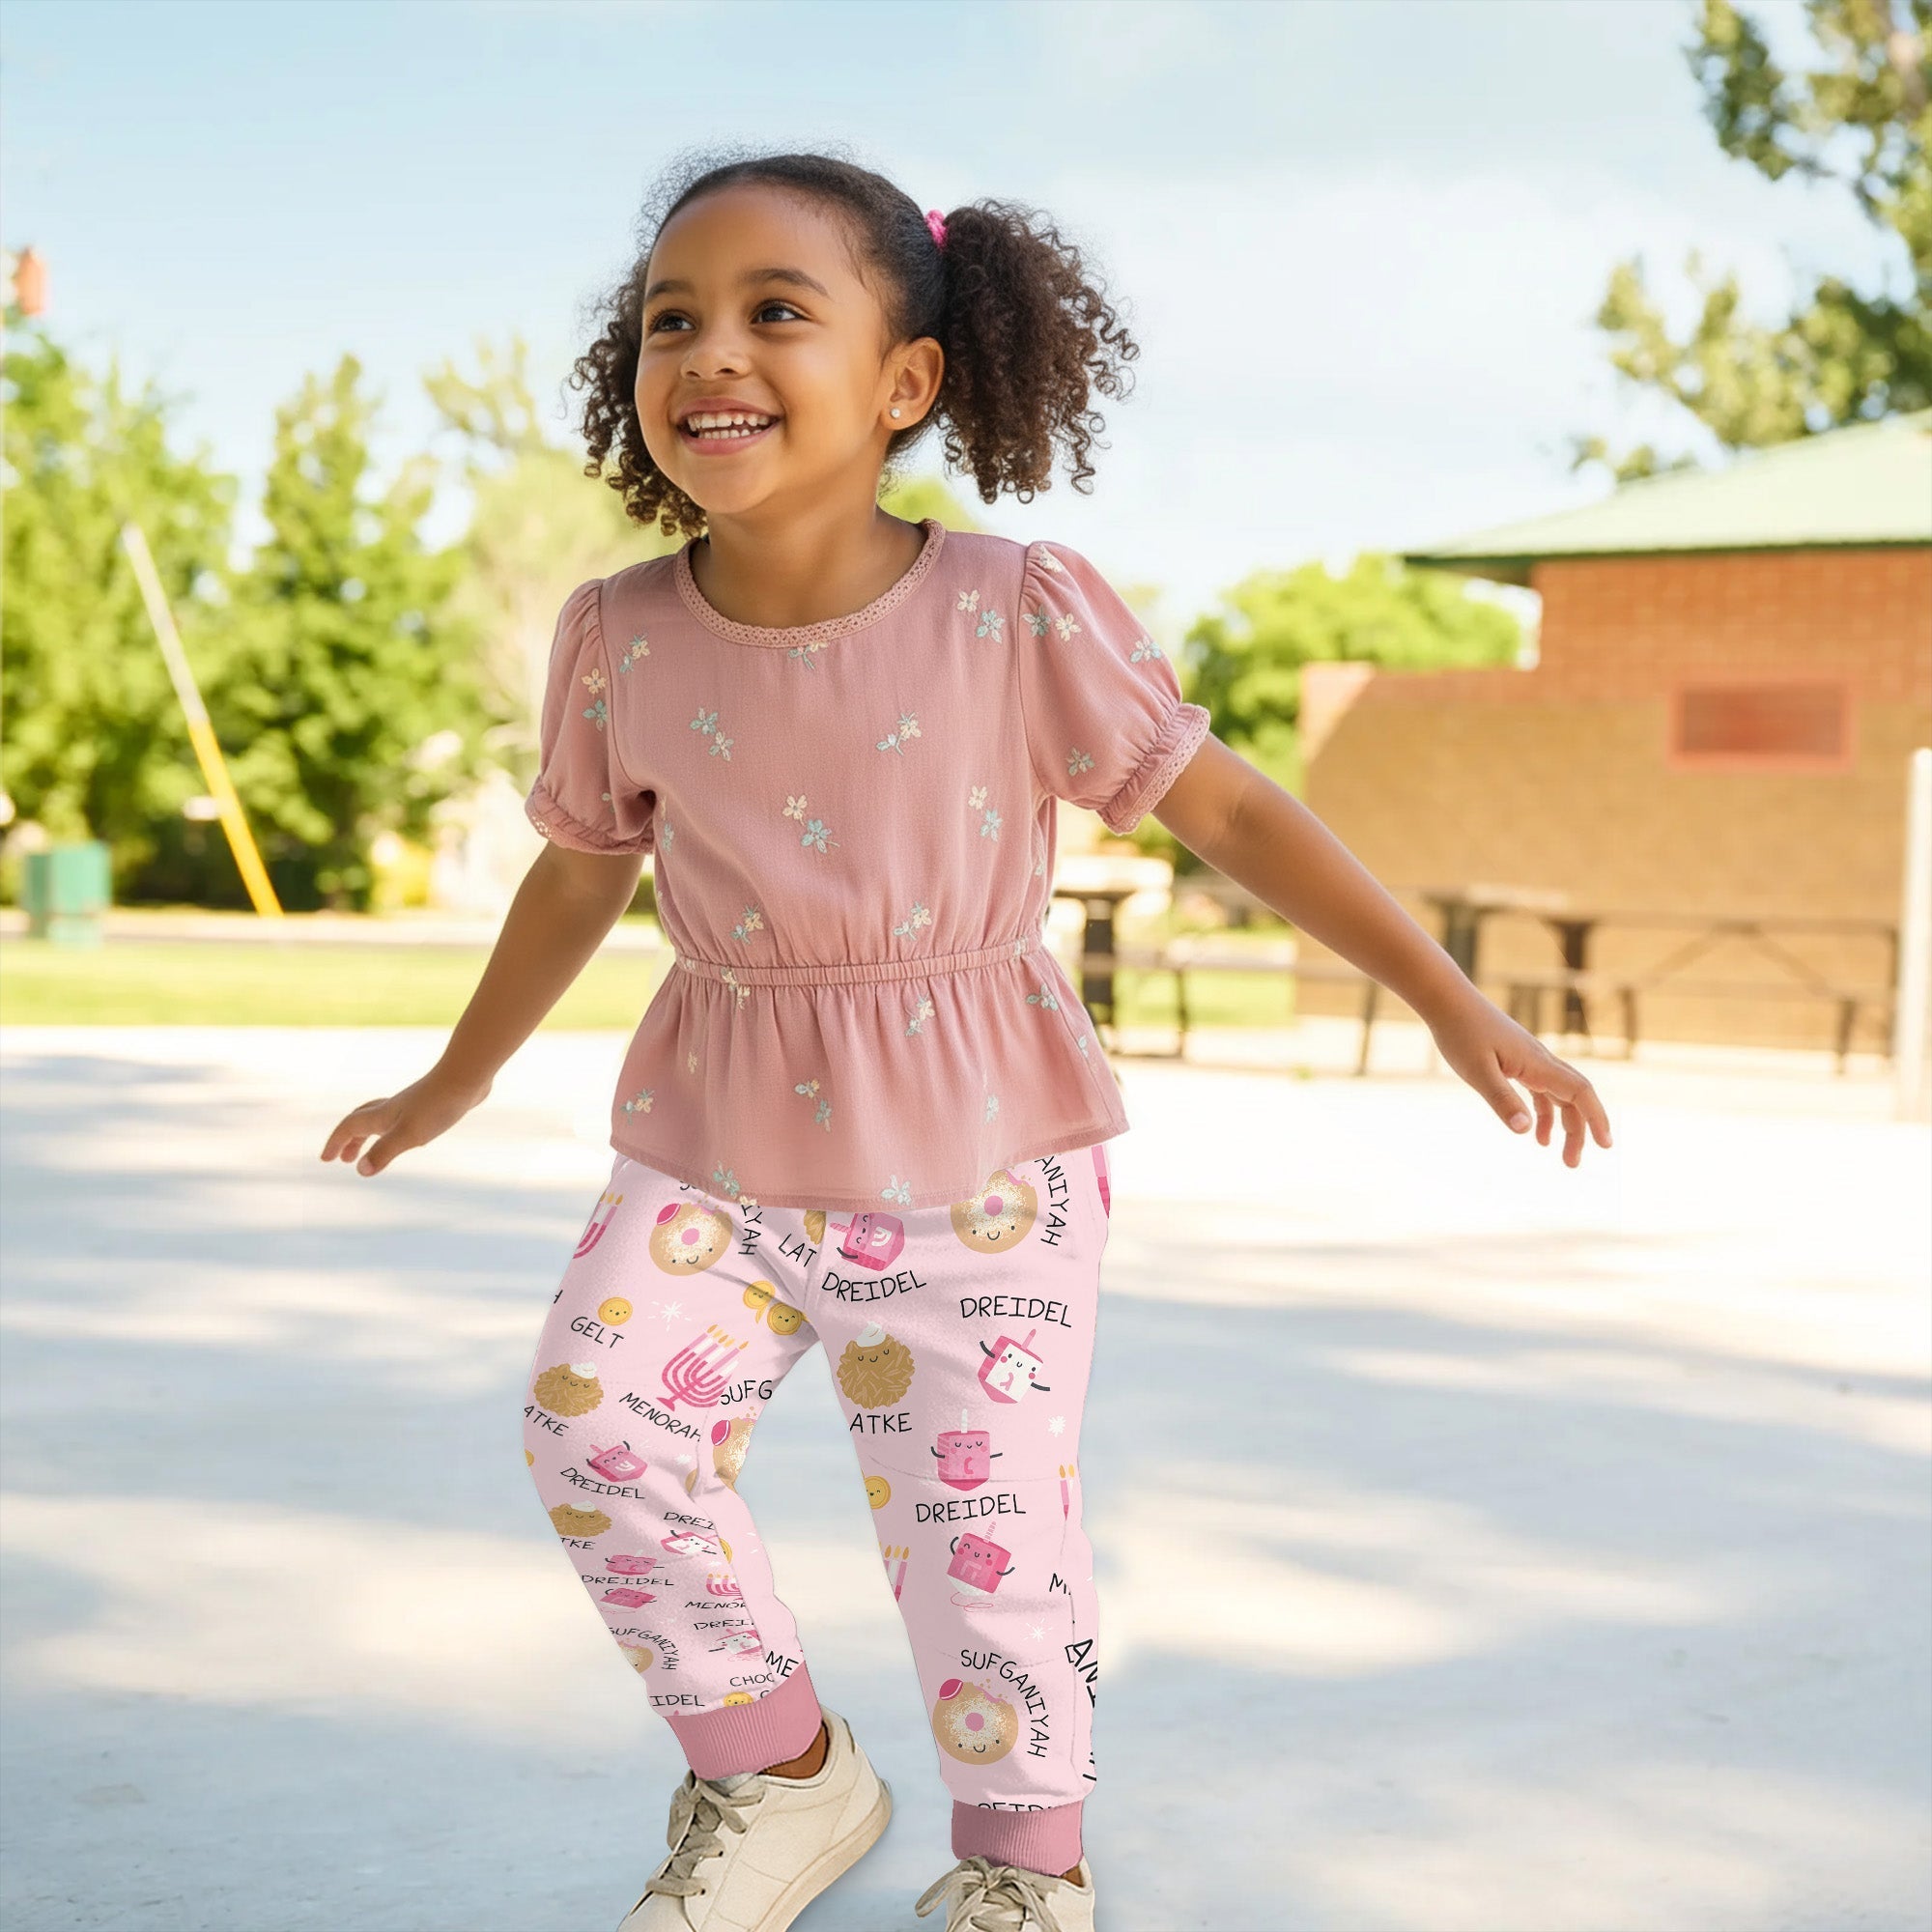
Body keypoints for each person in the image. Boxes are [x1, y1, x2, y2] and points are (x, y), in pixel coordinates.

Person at [320, 149, 1611, 1932]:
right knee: (596, 1424)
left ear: (906, 382)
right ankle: (777, 1777)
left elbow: (1226, 812)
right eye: (670, 320)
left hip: (982, 1164)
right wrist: (456, 1076)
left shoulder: (1014, 606)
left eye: (779, 312)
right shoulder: (616, 634)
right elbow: (576, 871)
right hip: (713, 1133)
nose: (712, 352)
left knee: (977, 1537)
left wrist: (1453, 1005)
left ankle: (1022, 1876)